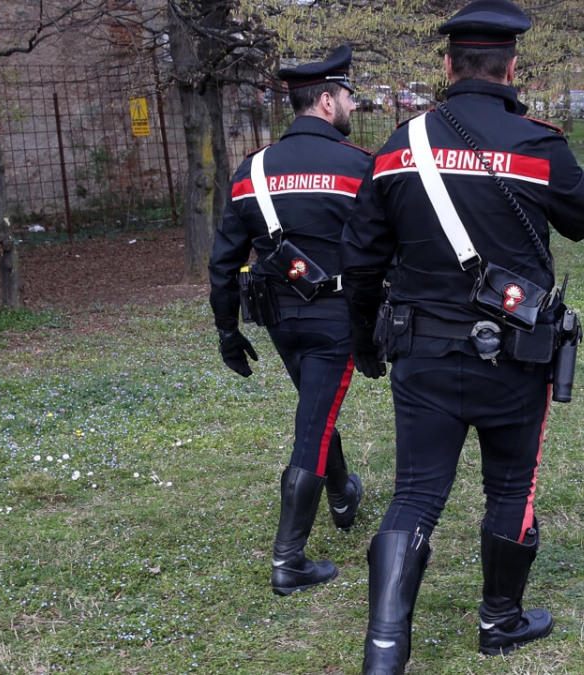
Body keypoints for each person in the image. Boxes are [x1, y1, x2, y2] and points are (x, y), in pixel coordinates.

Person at [340, 1, 584, 671]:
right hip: (515, 356)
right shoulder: (538, 143)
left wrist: (363, 343)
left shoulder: (400, 147)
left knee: (415, 495)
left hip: (422, 353)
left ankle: (383, 652)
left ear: (447, 63)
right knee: (512, 487)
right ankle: (500, 620)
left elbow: (361, 260)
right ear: (512, 65)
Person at [208, 44, 372, 597]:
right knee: (313, 427)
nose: (352, 105)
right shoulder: (360, 167)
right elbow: (387, 249)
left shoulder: (250, 169)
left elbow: (222, 262)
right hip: (337, 321)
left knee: (315, 410)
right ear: (326, 101)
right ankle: (289, 562)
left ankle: (344, 491)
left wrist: (228, 332)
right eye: (347, 96)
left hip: (279, 323)